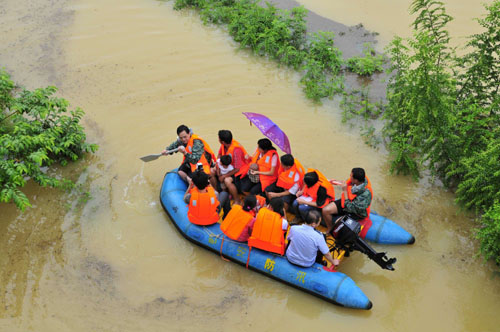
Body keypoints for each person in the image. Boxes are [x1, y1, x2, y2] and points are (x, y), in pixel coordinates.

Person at [322, 167, 373, 233]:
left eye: (351, 176)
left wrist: (345, 191)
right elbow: (346, 182)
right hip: (346, 201)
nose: (349, 177)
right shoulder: (358, 180)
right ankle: (330, 228)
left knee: (339, 223)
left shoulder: (365, 194)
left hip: (355, 211)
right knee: (325, 210)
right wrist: (335, 182)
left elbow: (351, 208)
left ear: (356, 180)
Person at [216, 129, 250, 205]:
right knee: (212, 171)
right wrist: (217, 168)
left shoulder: (236, 150)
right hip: (227, 166)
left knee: (227, 180)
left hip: (238, 171)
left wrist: (224, 176)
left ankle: (237, 200)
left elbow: (237, 168)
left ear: (223, 141)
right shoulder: (223, 145)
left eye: (219, 138)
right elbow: (219, 156)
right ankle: (218, 192)